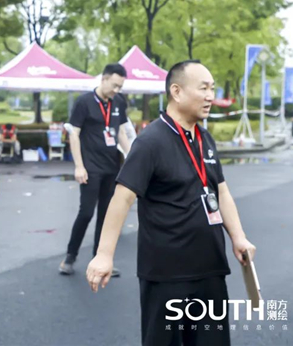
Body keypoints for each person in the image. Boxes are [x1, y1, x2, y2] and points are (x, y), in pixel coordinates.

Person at [86, 60, 256, 346]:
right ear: (176, 92)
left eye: (212, 89)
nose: (210, 96)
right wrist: (104, 255)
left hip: (210, 268)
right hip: (166, 274)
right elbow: (122, 198)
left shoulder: (205, 138)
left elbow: (221, 191)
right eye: (203, 88)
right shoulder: (150, 142)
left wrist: (238, 237)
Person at [59, 63, 131, 276]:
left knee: (106, 216)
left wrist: (133, 158)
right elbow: (74, 134)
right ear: (104, 79)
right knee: (86, 212)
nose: (117, 90)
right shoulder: (84, 102)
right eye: (114, 85)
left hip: (112, 168)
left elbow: (121, 133)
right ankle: (70, 256)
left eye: (120, 87)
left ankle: (100, 259)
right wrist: (79, 166)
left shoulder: (118, 102)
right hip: (90, 168)